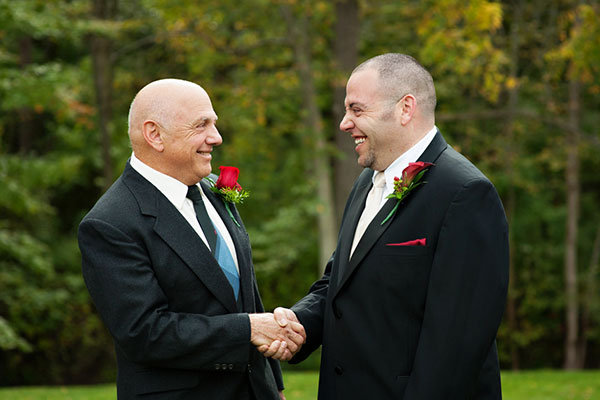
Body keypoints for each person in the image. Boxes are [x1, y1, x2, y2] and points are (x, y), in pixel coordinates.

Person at [266, 54, 509, 399]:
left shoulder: (465, 194)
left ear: (405, 109)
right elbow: (340, 283)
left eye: (357, 110)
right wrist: (298, 324)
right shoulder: (367, 182)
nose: (344, 123)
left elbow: (456, 345)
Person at [78, 78, 305, 400]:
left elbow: (247, 299)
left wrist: (275, 388)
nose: (216, 137)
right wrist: (249, 329)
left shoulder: (216, 190)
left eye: (214, 123)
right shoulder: (110, 223)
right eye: (202, 125)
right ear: (154, 135)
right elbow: (144, 333)